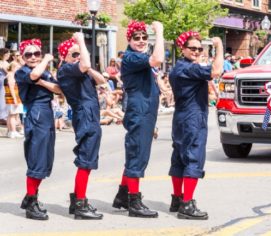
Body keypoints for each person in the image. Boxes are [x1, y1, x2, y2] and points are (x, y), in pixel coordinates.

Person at [168, 31, 223, 220]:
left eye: (200, 48)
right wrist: (219, 46)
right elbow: (216, 71)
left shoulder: (178, 68)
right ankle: (187, 205)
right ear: (182, 49)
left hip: (181, 117)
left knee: (178, 158)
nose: (197, 51)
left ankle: (177, 198)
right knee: (193, 158)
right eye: (193, 48)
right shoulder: (189, 68)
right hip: (193, 117)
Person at [112, 20, 164, 218]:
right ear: (129, 40)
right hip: (139, 112)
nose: (141, 41)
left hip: (145, 112)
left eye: (144, 37)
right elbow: (158, 58)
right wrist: (159, 32)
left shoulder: (138, 57)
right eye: (137, 38)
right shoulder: (131, 57)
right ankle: (134, 201)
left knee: (137, 152)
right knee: (137, 154)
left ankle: (122, 195)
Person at [57, 32, 106, 220]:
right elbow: (84, 63)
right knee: (86, 160)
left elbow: (101, 80)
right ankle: (80, 203)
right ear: (65, 57)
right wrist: (81, 43)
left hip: (90, 114)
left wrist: (88, 69)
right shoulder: (67, 69)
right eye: (74, 54)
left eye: (79, 53)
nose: (78, 57)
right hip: (85, 115)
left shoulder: (80, 70)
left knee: (89, 159)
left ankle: (78, 200)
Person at [15, 39, 62, 220]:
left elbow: (58, 89)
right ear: (22, 57)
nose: (33, 57)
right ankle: (32, 202)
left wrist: (43, 83)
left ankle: (30, 196)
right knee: (37, 158)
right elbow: (34, 75)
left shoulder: (45, 72)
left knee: (46, 158)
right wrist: (46, 60)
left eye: (37, 53)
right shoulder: (22, 72)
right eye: (29, 54)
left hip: (47, 112)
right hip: (36, 112)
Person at [4, 60, 24, 138]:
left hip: (9, 97)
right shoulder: (11, 75)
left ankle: (10, 131)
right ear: (13, 67)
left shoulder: (8, 75)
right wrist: (15, 99)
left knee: (10, 115)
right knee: (13, 115)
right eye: (18, 68)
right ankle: (13, 131)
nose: (19, 69)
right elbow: (12, 87)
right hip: (13, 97)